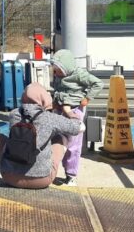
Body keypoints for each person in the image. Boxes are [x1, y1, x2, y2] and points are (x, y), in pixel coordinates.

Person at [0, 83, 83, 189]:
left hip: (9, 178)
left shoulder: (13, 114)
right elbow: (80, 128)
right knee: (60, 138)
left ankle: (7, 167)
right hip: (41, 181)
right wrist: (68, 112)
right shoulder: (50, 118)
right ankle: (53, 170)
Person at [51, 49, 103, 186]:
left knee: (73, 144)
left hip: (75, 110)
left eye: (58, 70)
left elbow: (98, 83)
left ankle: (71, 175)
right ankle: (52, 169)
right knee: (56, 140)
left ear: (66, 67)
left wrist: (87, 98)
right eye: (55, 71)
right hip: (61, 109)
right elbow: (58, 90)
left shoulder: (79, 74)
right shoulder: (59, 76)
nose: (56, 74)